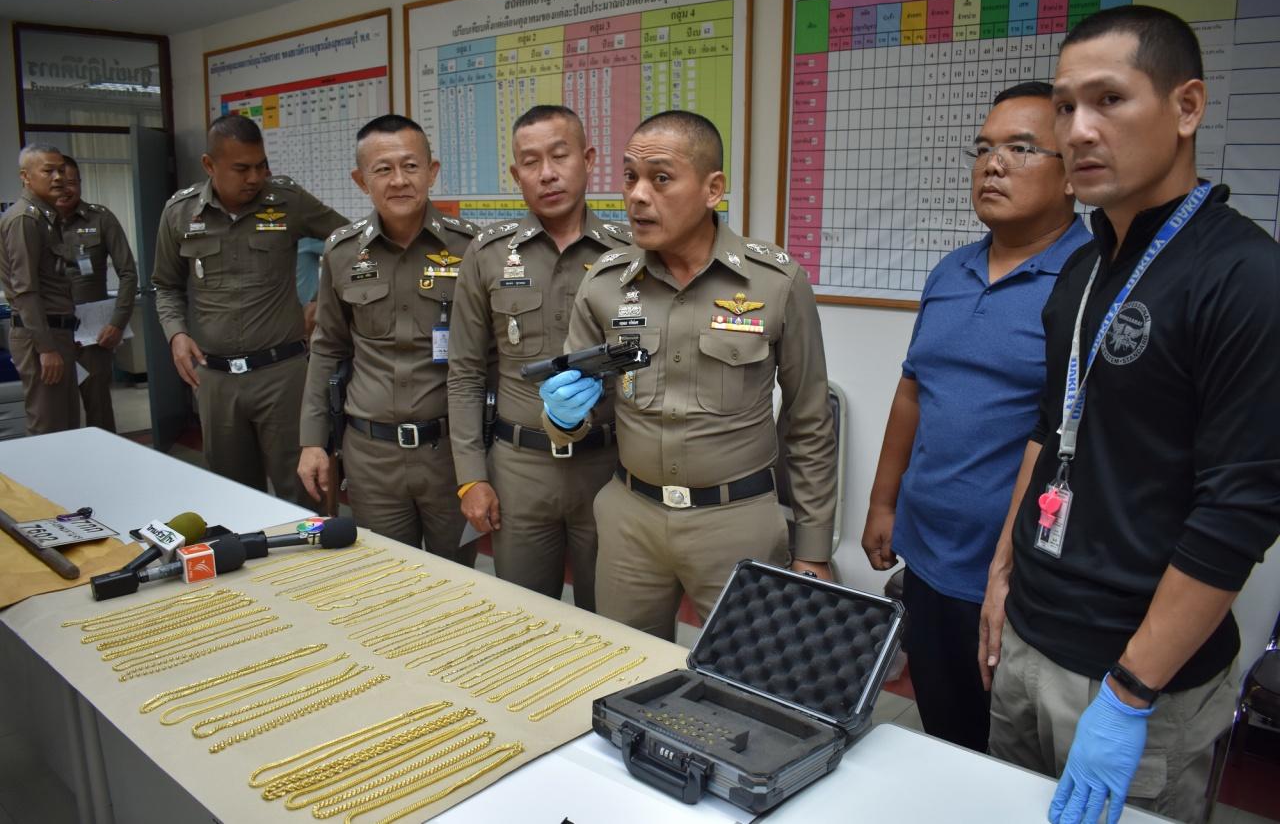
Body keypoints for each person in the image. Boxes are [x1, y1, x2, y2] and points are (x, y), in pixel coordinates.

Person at [979, 5, 1280, 824]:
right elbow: (1049, 430)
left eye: (1109, 100)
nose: (1079, 129)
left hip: (1133, 678)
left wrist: (1130, 690)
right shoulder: (1083, 271)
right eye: (1066, 106)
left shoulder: (1245, 276)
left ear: (1187, 107)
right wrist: (1003, 573)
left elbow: (1240, 509)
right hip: (1029, 637)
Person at [540, 110, 836, 640]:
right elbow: (580, 415)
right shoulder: (605, 284)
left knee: (746, 672)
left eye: (660, 178)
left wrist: (812, 549)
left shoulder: (776, 283)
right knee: (625, 668)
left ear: (712, 189)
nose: (637, 196)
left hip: (737, 521)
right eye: (630, 176)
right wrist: (562, 418)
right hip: (631, 519)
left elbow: (809, 421)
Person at [859, 81, 1088, 752]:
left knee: (1008, 761)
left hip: (1014, 577)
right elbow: (913, 389)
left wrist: (1011, 569)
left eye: (1021, 148)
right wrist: (882, 501)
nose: (993, 164)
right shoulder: (951, 271)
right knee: (944, 736)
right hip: (927, 556)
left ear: (1072, 175)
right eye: (984, 149)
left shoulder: (1090, 283)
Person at [448, 105, 631, 609]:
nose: (547, 173)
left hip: (608, 468)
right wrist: (471, 477)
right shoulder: (488, 253)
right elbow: (464, 373)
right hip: (519, 471)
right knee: (524, 617)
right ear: (516, 174)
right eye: (531, 162)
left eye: (559, 156)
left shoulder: (630, 254)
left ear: (588, 160)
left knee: (609, 619)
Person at [298, 114, 480, 562]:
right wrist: (313, 441)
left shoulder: (472, 248)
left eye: (410, 166)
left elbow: (488, 354)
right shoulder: (342, 251)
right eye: (383, 169)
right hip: (371, 456)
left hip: (449, 456)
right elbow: (328, 347)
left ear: (432, 172)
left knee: (459, 580)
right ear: (362, 180)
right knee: (385, 575)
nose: (399, 180)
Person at [153, 115, 346, 503]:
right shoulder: (180, 213)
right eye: (242, 169)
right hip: (216, 380)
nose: (255, 177)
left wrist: (321, 302)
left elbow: (349, 243)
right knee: (234, 497)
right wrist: (176, 334)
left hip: (282, 375)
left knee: (305, 491)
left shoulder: (287, 201)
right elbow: (166, 286)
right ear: (209, 165)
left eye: (261, 166)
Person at [55, 156, 138, 432]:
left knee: (99, 411)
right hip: (52, 334)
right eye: (58, 183)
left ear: (80, 183)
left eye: (71, 182)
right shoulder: (36, 223)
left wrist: (118, 323)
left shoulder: (101, 218)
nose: (65, 189)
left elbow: (128, 273)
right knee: (57, 413)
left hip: (93, 336)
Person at [0, 144, 78, 435]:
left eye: (61, 170)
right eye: (48, 171)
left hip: (57, 332)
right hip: (41, 337)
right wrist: (46, 348)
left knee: (67, 425)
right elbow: (26, 290)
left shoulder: (46, 217)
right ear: (25, 176)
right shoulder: (25, 219)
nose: (58, 177)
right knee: (49, 427)